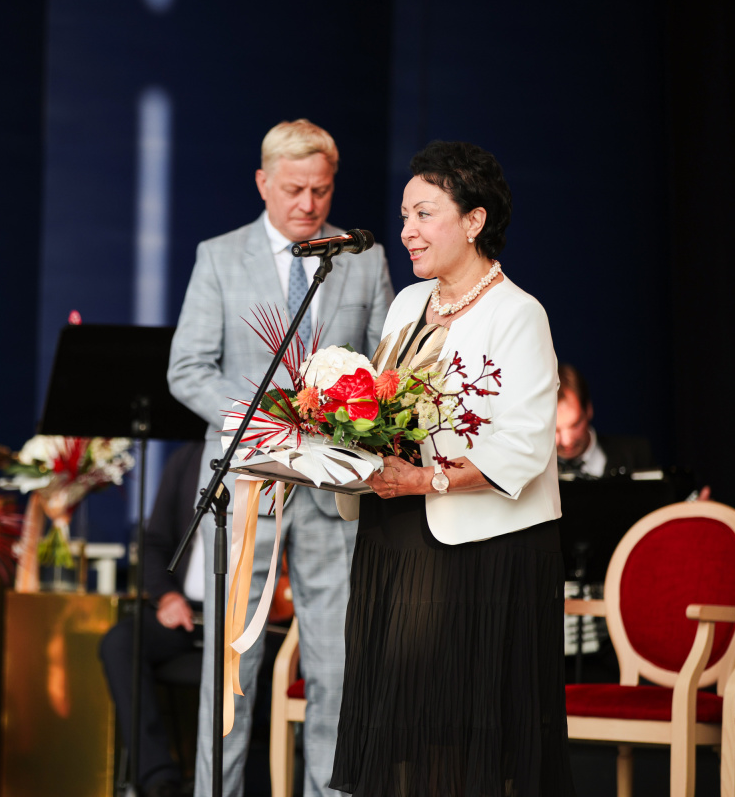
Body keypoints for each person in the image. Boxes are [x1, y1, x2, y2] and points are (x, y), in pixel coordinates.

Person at [329, 141, 575, 796]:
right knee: (400, 733)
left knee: (456, 734)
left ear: (474, 220)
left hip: (478, 552)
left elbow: (525, 445)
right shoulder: (407, 304)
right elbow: (385, 408)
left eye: (424, 214)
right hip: (395, 539)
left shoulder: (518, 313)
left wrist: (426, 479)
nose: (407, 231)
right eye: (404, 216)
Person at [168, 118, 393, 797]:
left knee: (337, 668)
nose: (308, 204)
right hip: (246, 484)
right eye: (294, 189)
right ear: (263, 182)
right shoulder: (218, 256)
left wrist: (349, 416)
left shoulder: (364, 259)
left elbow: (384, 373)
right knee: (231, 668)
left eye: (320, 190)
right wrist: (264, 424)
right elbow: (187, 369)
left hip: (332, 489)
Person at [99, 440, 204, 797]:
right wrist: (167, 595)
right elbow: (154, 541)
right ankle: (159, 779)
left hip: (249, 623)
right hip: (189, 614)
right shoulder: (188, 457)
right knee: (120, 642)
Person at [555, 362, 655, 478]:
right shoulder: (537, 471)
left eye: (575, 425)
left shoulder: (636, 455)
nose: (567, 441)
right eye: (556, 430)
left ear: (589, 409)